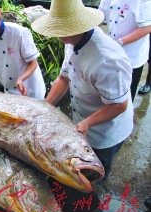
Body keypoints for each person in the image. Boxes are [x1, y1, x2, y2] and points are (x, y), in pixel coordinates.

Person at [31, 0, 133, 179]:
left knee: (97, 167)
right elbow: (63, 79)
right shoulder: (73, 41)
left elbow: (118, 105)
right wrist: (42, 108)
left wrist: (87, 123)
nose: (55, 35)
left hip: (105, 128)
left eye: (58, 29)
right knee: (81, 164)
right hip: (84, 118)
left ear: (73, 27)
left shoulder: (107, 59)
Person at [98, 0, 151, 101]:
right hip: (113, 51)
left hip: (132, 55)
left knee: (127, 95)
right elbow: (100, 15)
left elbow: (147, 27)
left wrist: (119, 42)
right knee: (112, 90)